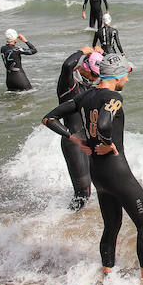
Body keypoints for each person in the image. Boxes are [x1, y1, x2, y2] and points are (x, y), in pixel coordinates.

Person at [41, 52, 143, 281]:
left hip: (98, 175)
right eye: (127, 75)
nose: (128, 80)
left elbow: (49, 118)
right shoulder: (113, 97)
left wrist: (75, 138)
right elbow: (103, 123)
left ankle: (108, 274)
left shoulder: (85, 96)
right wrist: (109, 145)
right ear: (119, 74)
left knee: (112, 225)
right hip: (117, 172)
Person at [55, 47, 101, 209]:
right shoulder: (69, 86)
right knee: (82, 193)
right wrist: (82, 51)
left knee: (92, 189)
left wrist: (97, 55)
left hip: (87, 141)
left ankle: (75, 222)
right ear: (85, 67)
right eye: (95, 74)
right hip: (73, 141)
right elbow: (67, 65)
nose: (96, 78)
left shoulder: (86, 86)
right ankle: (63, 222)